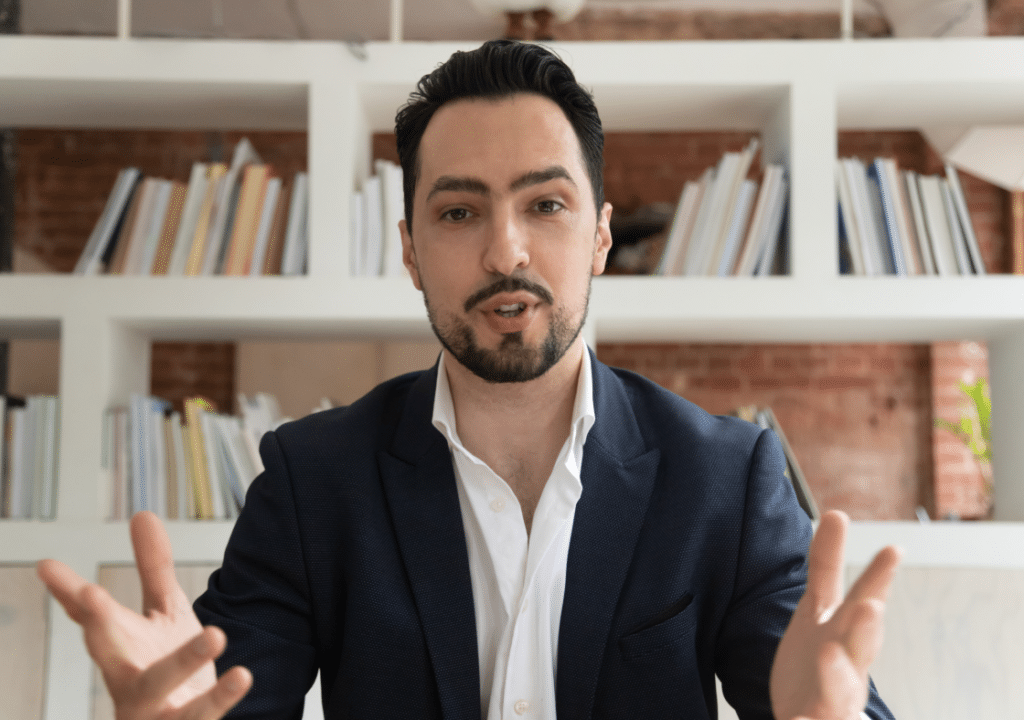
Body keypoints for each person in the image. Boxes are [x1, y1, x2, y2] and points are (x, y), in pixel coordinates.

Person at [38, 40, 901, 720]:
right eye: (458, 212)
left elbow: (815, 693)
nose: (506, 252)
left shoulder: (725, 479)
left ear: (600, 236)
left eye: (546, 205)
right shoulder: (314, 482)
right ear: (410, 250)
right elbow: (218, 698)